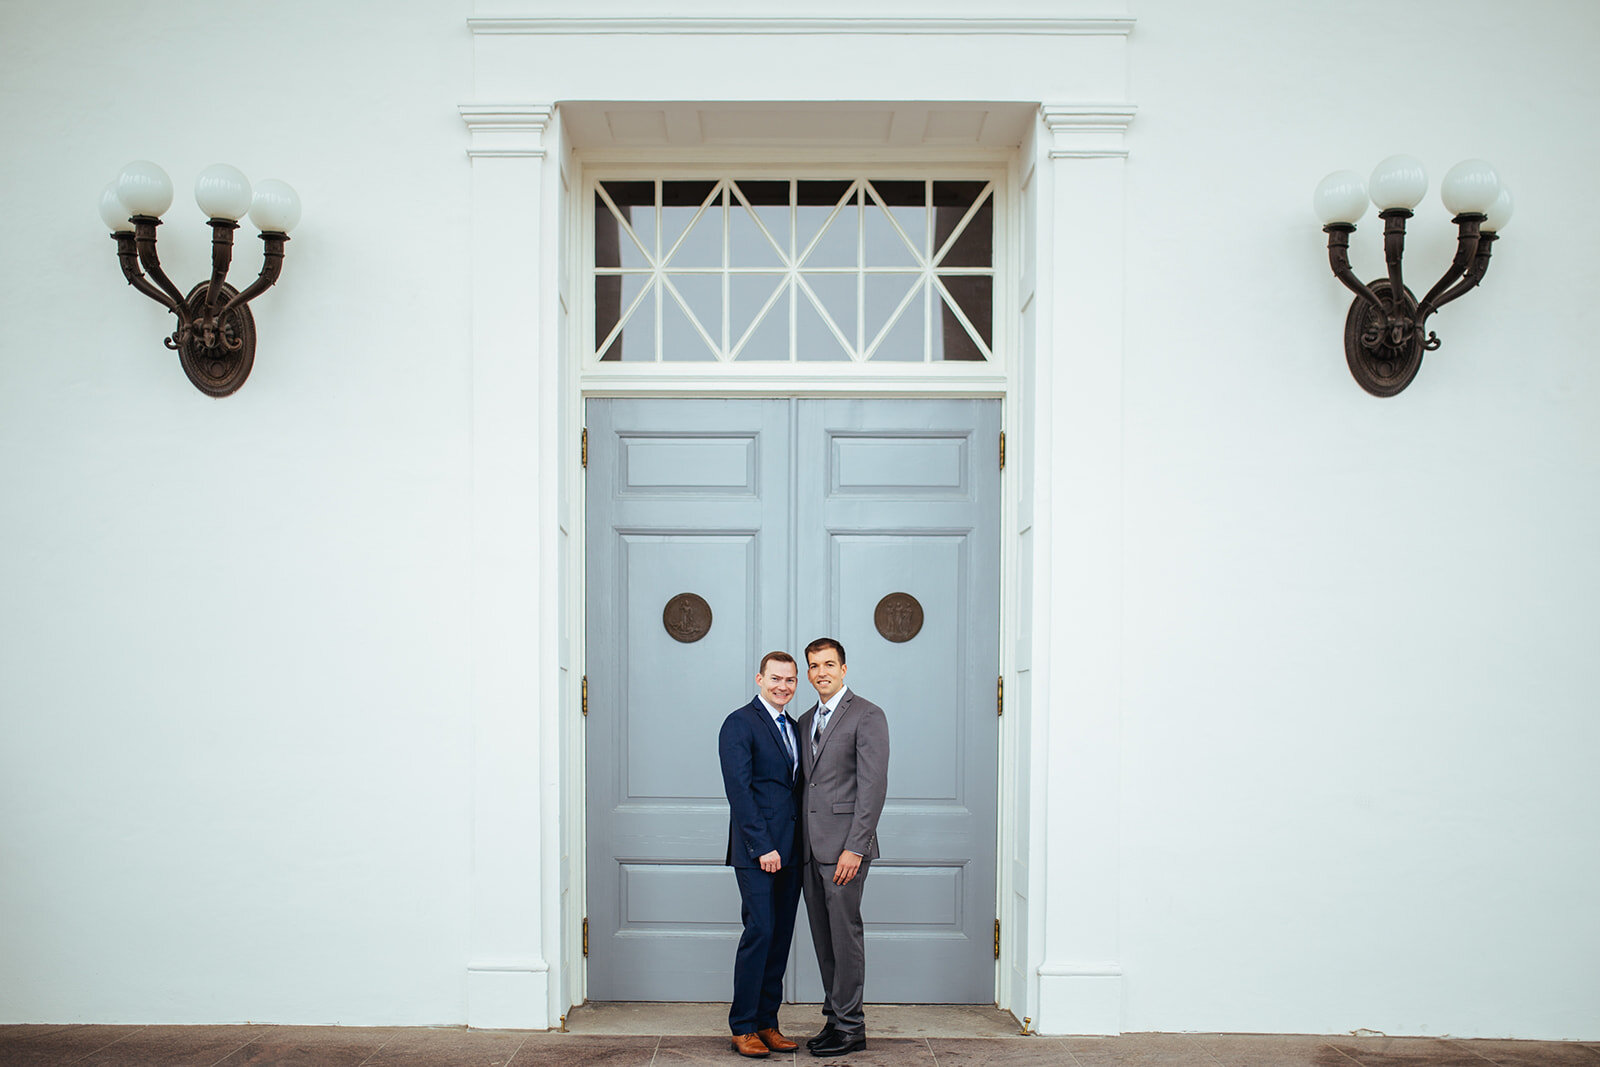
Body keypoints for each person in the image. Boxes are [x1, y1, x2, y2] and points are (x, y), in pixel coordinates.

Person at [796, 638, 889, 1057]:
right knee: (824, 938)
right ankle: (835, 1019)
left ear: (844, 668)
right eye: (814, 666)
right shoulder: (803, 720)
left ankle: (852, 1027)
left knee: (845, 936)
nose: (821, 673)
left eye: (829, 664)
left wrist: (856, 847)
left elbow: (872, 788)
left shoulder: (868, 715)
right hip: (809, 850)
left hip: (845, 851)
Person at [718, 651, 805, 1058]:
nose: (782, 686)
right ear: (759, 679)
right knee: (760, 933)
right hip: (758, 851)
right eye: (775, 678)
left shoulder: (795, 726)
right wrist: (762, 846)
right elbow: (739, 791)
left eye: (789, 680)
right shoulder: (739, 723)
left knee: (780, 937)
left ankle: (768, 1022)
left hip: (792, 851)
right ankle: (743, 1025)